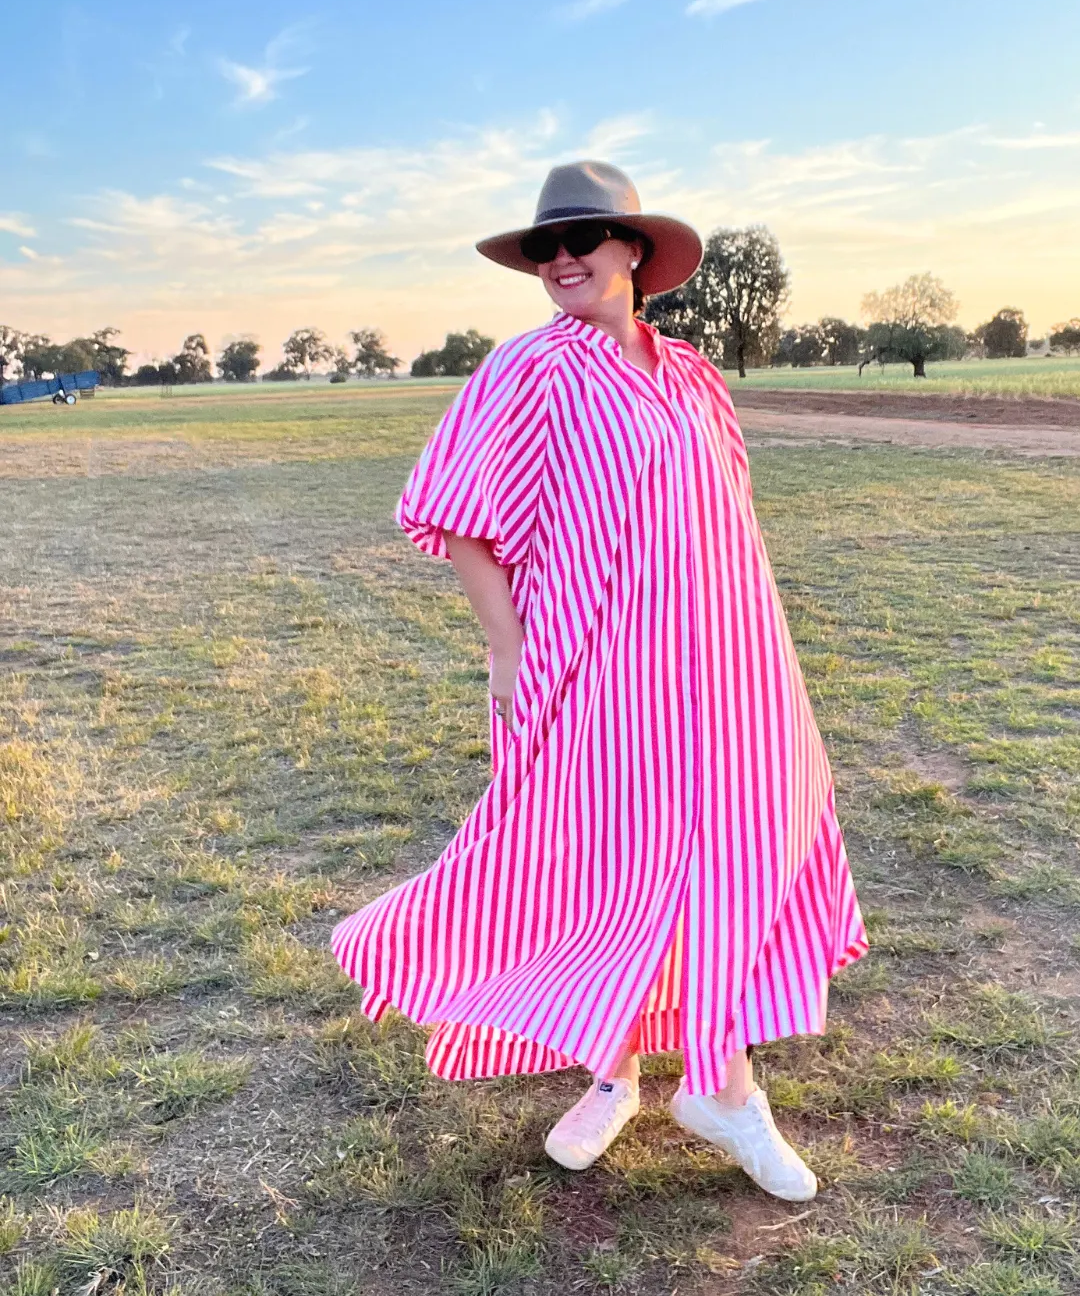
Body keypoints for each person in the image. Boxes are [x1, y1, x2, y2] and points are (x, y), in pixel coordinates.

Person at [331, 160, 867, 1201]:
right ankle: (619, 1074)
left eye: (582, 236)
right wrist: (504, 648)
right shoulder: (529, 372)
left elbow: (731, 525)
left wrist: (767, 658)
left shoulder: (696, 378)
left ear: (634, 250)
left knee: (739, 855)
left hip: (727, 664)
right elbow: (459, 519)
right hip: (595, 671)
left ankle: (720, 1082)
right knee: (596, 863)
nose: (561, 257)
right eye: (544, 246)